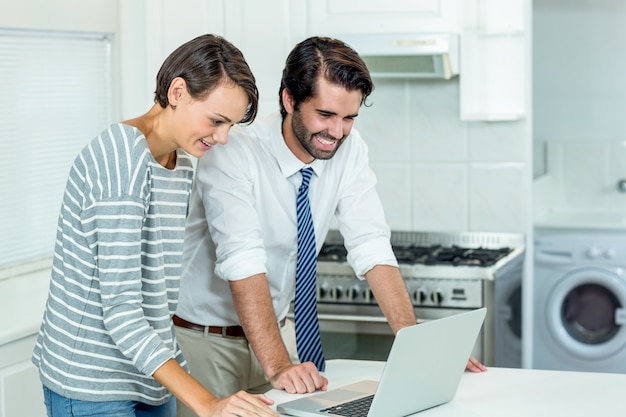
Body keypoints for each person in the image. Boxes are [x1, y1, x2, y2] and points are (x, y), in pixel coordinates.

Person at [174, 36, 487, 416]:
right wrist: (277, 364)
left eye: (349, 118)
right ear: (290, 100)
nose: (338, 132)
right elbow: (242, 260)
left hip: (279, 334)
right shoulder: (233, 151)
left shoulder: (349, 150)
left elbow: (371, 244)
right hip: (208, 344)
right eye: (325, 115)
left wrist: (419, 348)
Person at [31, 34, 279, 417]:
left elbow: (157, 296)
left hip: (148, 379)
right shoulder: (120, 156)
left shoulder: (179, 167)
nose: (223, 137)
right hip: (91, 384)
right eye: (216, 121)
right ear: (177, 91)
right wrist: (207, 402)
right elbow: (121, 308)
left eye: (230, 125)